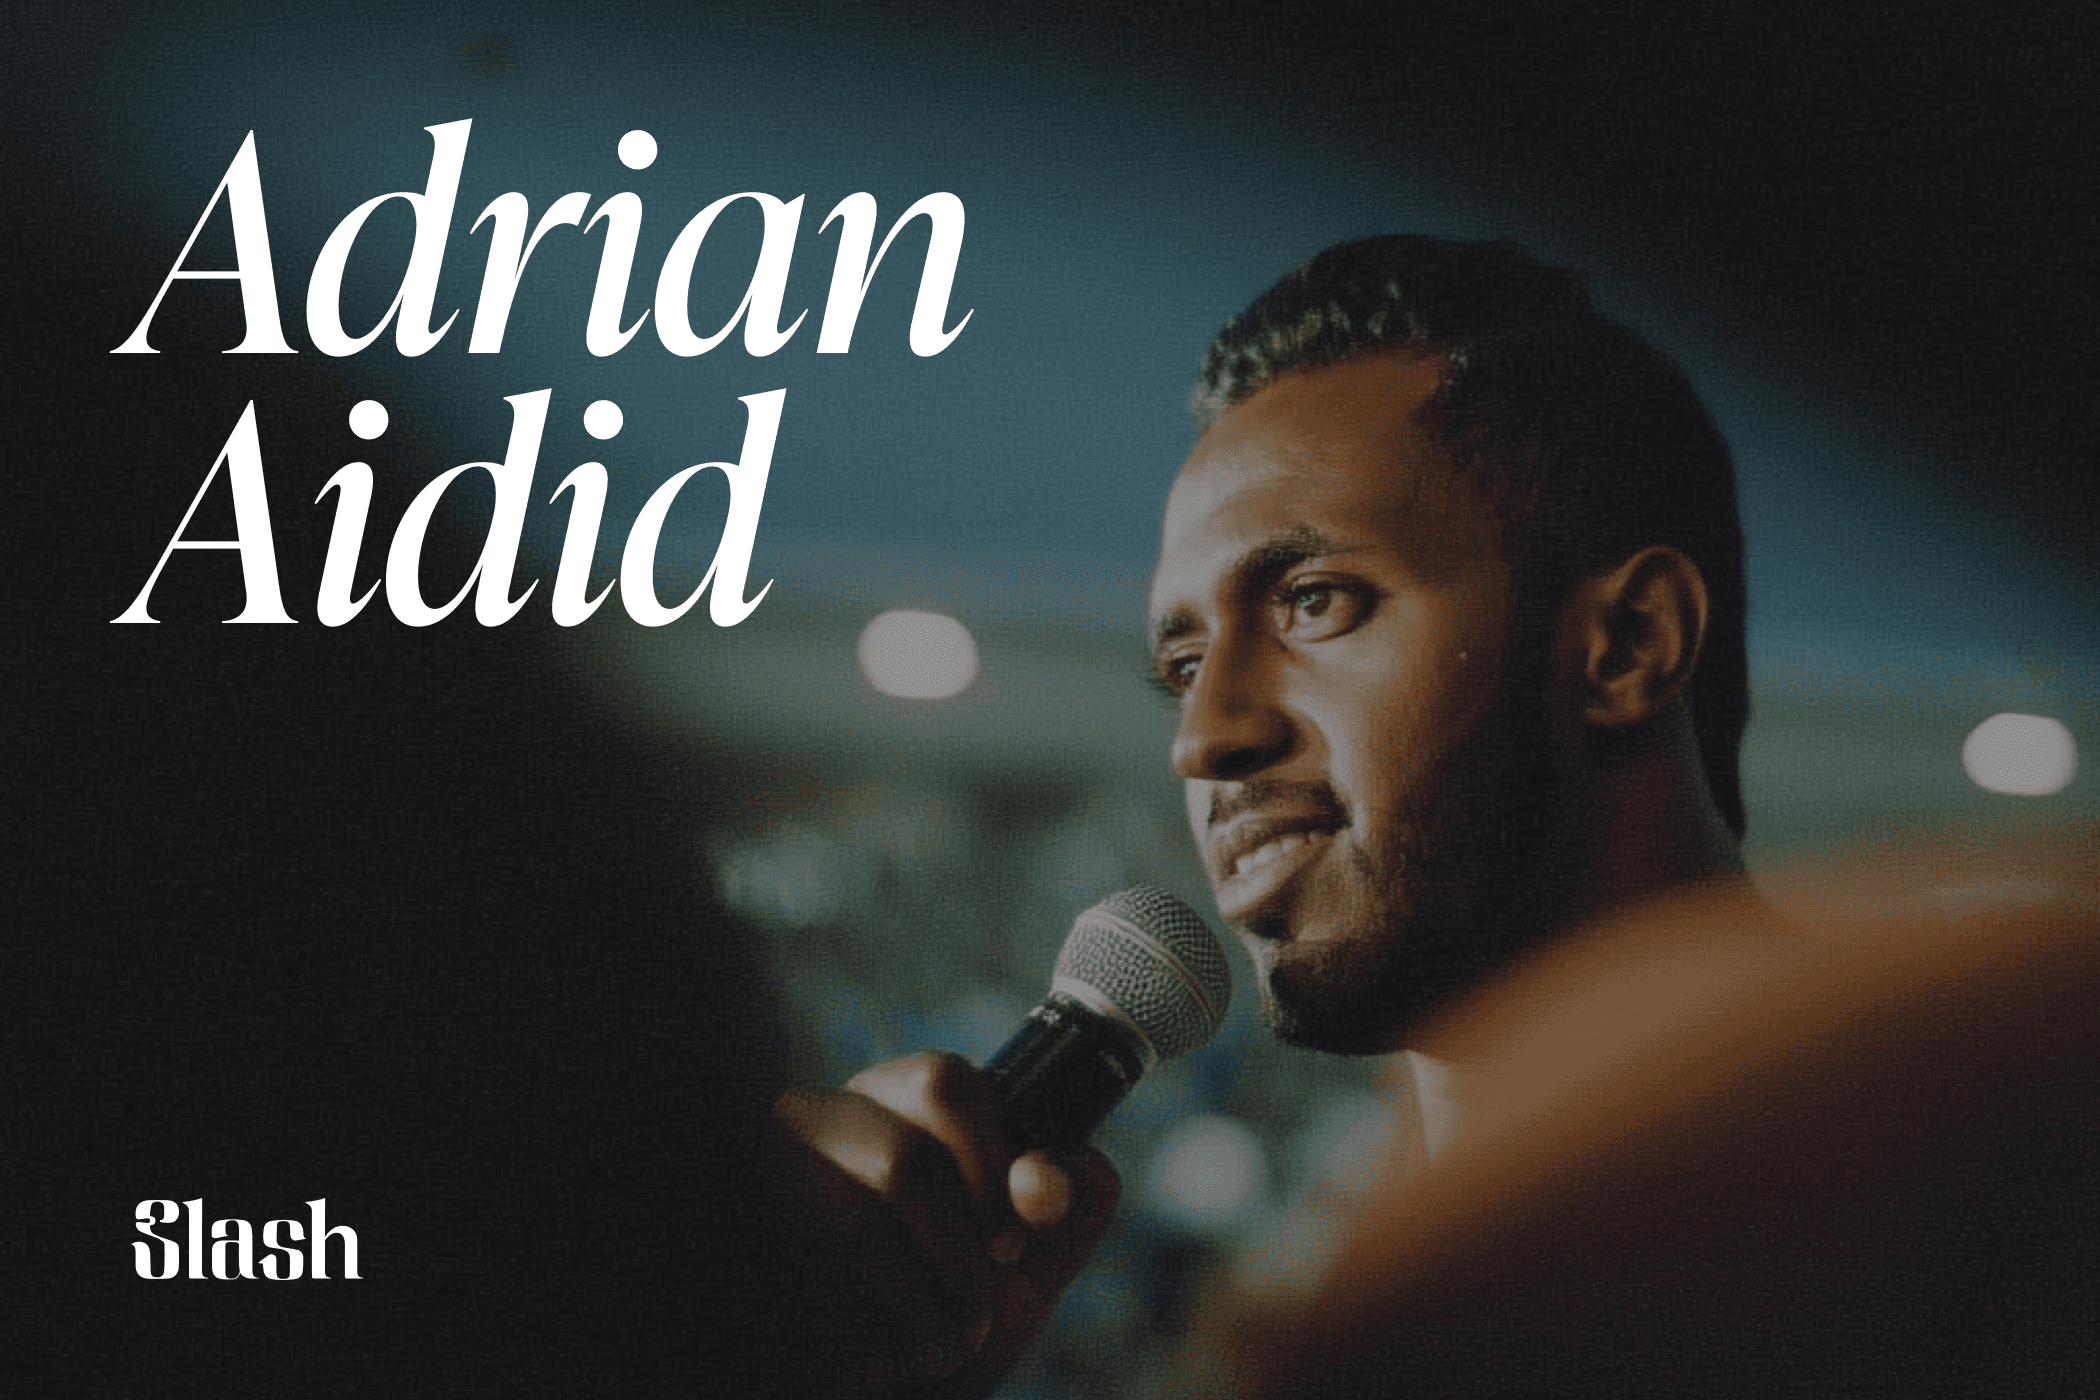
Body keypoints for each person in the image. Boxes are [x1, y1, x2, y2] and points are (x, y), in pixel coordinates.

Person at [775, 237, 2098, 1395]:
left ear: (1629, 643)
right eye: (1182, 665)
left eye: (1314, 603)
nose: (1204, 734)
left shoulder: (2001, 1197)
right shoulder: (1348, 1319)